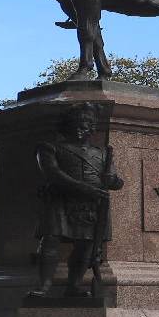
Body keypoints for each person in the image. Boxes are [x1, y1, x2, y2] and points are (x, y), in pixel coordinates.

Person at [31, 103, 123, 298]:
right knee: (51, 241)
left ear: (92, 128)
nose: (81, 127)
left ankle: (73, 286)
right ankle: (44, 286)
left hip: (93, 204)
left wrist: (112, 180)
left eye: (87, 124)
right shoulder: (49, 148)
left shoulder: (103, 153)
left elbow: (116, 181)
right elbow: (53, 173)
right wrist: (83, 188)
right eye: (77, 123)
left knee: (86, 247)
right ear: (67, 126)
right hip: (61, 200)